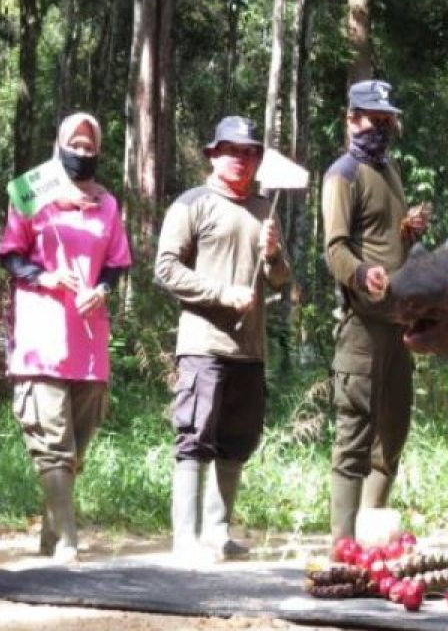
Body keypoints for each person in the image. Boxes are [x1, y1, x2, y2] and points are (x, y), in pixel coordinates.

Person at [0, 112, 132, 564]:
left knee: (79, 441)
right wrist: (46, 276)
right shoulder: (32, 192)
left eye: (90, 146)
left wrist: (102, 289)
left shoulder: (107, 204)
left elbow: (115, 262)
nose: (82, 151)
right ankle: (70, 539)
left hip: (89, 340)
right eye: (74, 143)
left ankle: (51, 530)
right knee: (53, 443)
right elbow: (10, 255)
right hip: (42, 337)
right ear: (59, 144)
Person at [155, 115, 291, 563]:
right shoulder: (191, 204)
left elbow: (281, 279)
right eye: (232, 150)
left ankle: (217, 533)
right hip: (203, 344)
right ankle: (185, 538)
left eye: (250, 152)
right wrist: (221, 294)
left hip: (249, 351)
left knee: (238, 439)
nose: (242, 159)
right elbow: (166, 269)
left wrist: (271, 255)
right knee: (195, 435)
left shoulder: (263, 209)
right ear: (214, 154)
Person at [322, 79, 430, 540]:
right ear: (351, 120)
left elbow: (388, 236)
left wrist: (409, 231)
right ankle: (342, 548)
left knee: (392, 436)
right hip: (362, 327)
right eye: (372, 119)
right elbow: (335, 249)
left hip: (397, 325)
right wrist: (362, 273)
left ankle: (370, 540)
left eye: (387, 121)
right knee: (354, 440)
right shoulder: (343, 174)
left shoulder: (389, 172)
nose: (380, 129)